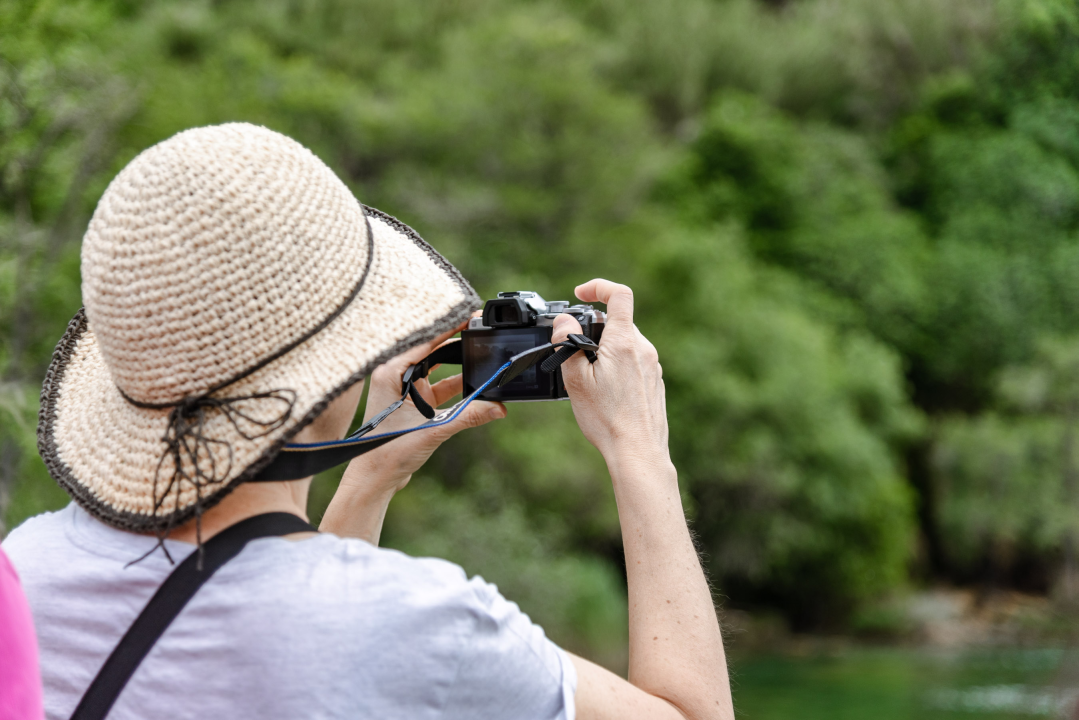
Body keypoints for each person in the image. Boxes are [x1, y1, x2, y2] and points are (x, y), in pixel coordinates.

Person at [2, 123, 732, 720]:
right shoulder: (424, 625)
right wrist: (640, 449)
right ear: (344, 366)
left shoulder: (26, 569)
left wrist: (370, 479)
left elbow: (295, 636)